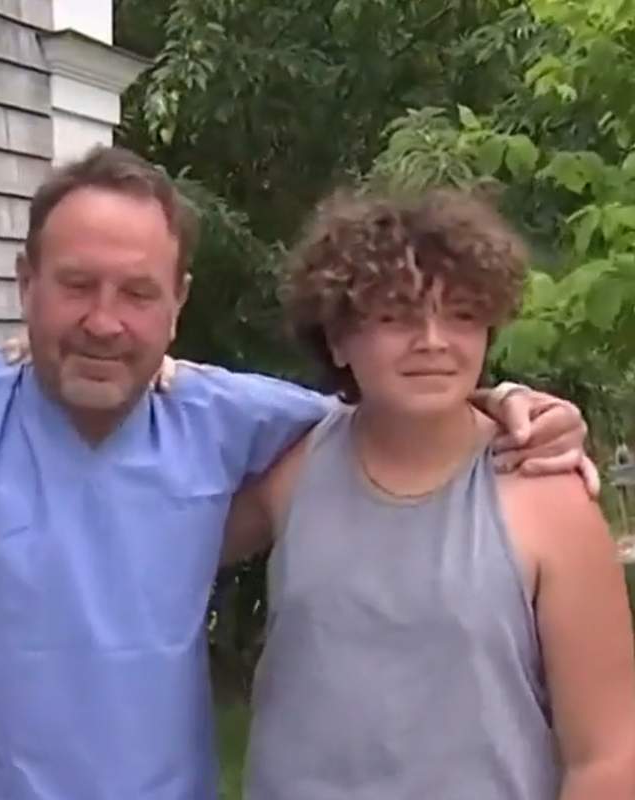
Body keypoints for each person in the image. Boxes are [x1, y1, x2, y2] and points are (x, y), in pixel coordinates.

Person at [0, 145, 590, 799]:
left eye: (137, 293)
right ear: (26, 284)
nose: (103, 321)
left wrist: (503, 405)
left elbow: (396, 410)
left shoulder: (234, 419)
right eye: (77, 286)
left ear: (178, 303)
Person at [229, 188, 635, 798]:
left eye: (462, 315)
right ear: (338, 338)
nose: (433, 340)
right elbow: (157, 552)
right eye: (397, 317)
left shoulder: (548, 498)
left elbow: (607, 755)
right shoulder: (293, 465)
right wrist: (151, 374)